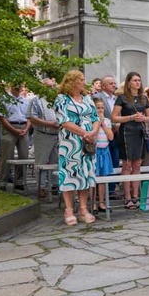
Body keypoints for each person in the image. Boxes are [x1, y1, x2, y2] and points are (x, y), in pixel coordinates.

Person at [55, 70, 101, 226]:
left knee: (85, 174)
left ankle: (83, 208)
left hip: (88, 142)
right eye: (81, 79)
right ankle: (68, 209)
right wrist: (84, 133)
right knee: (70, 173)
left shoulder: (87, 98)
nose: (83, 82)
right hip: (70, 142)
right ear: (72, 81)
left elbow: (95, 118)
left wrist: (93, 132)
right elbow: (64, 121)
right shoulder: (62, 99)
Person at [112, 72, 149, 209]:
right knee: (127, 164)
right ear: (128, 82)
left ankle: (136, 195)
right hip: (127, 132)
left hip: (139, 132)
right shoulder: (122, 98)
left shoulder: (143, 98)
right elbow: (114, 117)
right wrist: (131, 117)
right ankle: (127, 196)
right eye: (134, 80)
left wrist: (143, 119)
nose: (137, 83)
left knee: (137, 164)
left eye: (139, 80)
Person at [27, 78, 59, 198]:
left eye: (52, 87)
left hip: (56, 135)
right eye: (48, 87)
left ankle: (55, 185)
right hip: (42, 134)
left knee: (56, 161)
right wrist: (49, 124)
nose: (51, 89)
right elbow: (32, 117)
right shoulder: (36, 100)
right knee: (41, 162)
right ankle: (41, 187)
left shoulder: (57, 100)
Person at [0, 86, 31, 190]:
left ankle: (19, 181)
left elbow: (29, 117)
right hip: (9, 127)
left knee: (24, 156)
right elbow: (1, 117)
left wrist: (26, 129)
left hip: (23, 127)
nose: (18, 87)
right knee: (7, 156)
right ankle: (3, 182)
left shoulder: (25, 101)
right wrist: (13, 130)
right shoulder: (4, 99)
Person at [92, 75, 120, 193]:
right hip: (100, 133)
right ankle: (98, 194)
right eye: (111, 83)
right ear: (103, 86)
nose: (114, 85)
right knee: (98, 167)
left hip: (115, 133)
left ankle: (111, 189)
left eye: (114, 83)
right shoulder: (96, 97)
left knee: (114, 161)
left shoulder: (117, 98)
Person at [93, 98, 114, 213]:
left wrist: (103, 124)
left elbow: (111, 137)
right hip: (95, 151)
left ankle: (101, 202)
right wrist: (97, 123)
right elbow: (92, 135)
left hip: (104, 150)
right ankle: (93, 203)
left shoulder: (107, 121)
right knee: (93, 177)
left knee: (102, 178)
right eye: (98, 108)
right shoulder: (91, 120)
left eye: (102, 108)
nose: (100, 110)